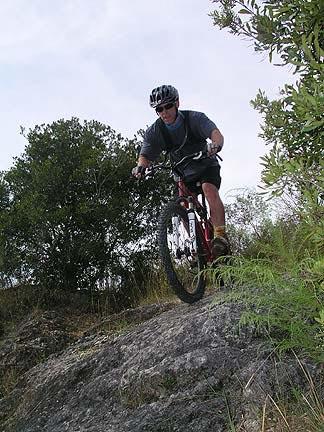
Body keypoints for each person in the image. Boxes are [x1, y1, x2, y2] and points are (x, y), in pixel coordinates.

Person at [133, 84, 229, 257]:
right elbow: (145, 154)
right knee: (182, 204)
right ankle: (196, 245)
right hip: (182, 172)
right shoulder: (156, 131)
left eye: (168, 106)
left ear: (177, 103)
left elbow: (215, 133)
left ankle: (220, 237)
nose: (164, 112)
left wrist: (215, 145)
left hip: (205, 164)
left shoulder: (194, 119)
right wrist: (141, 167)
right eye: (159, 109)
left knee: (209, 189)